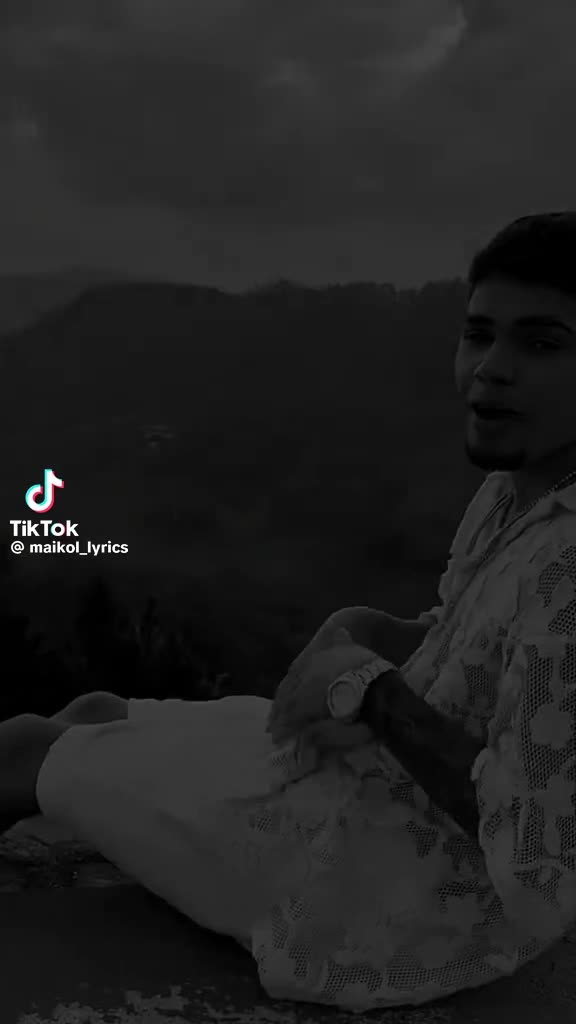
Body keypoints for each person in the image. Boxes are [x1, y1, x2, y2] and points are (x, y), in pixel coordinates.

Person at [3, 210, 576, 1011]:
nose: (491, 368)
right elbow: (474, 645)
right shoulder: (519, 494)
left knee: (28, 748)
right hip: (370, 795)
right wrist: (373, 628)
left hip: (386, 890)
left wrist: (369, 691)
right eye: (479, 334)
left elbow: (538, 856)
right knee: (98, 709)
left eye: (541, 344)